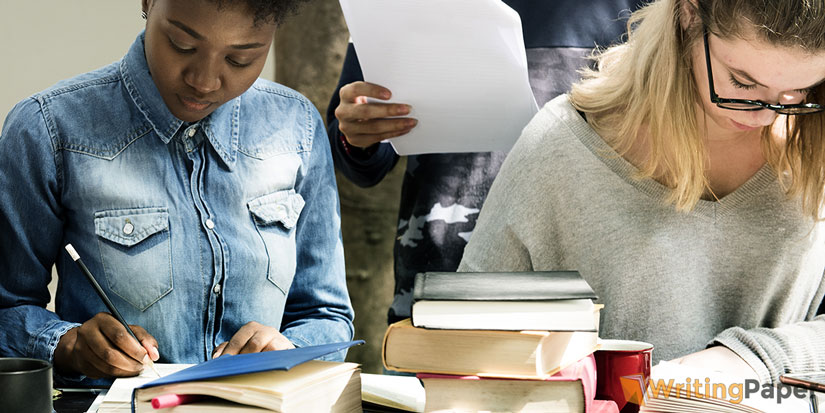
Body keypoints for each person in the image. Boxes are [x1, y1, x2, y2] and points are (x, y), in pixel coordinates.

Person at [459, 0, 825, 383]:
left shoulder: (812, 146)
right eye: (743, 82)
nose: (766, 115)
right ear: (688, 14)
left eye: (798, 90)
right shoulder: (562, 145)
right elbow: (464, 342)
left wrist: (756, 359)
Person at [0, 0, 354, 384]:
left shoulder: (296, 126)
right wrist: (68, 345)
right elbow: (7, 308)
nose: (204, 81)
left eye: (239, 60)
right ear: (148, 3)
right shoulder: (48, 130)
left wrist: (290, 349)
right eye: (182, 45)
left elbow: (328, 316)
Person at [327, 0, 643, 324]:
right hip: (438, 289)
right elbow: (356, 151)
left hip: (586, 293)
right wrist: (357, 135)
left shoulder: (647, 9)